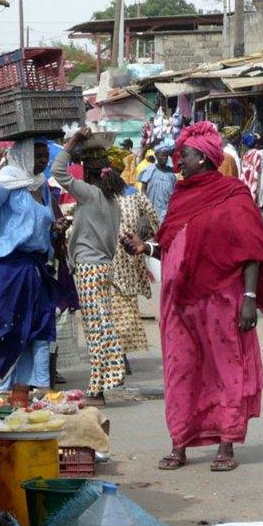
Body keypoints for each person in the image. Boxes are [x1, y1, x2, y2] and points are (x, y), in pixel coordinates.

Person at [121, 121, 263, 472]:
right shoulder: (182, 195)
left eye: (186, 155)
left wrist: (250, 298)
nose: (179, 161)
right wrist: (143, 247)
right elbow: (171, 245)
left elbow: (252, 249)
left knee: (226, 368)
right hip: (180, 302)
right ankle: (180, 443)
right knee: (181, 369)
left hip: (223, 300)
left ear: (205, 159)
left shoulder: (233, 194)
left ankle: (226, 445)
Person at [0, 138, 68, 391]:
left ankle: (37, 385)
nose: (44, 162)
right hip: (3, 269)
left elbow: (43, 220)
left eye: (45, 157)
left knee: (38, 328)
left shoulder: (41, 186)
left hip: (33, 270)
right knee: (0, 328)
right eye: (38, 157)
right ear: (23, 157)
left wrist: (55, 227)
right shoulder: (6, 181)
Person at [51, 128, 125, 404]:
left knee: (97, 329)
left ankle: (99, 389)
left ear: (88, 174)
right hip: (104, 267)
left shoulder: (91, 194)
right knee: (100, 324)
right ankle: (102, 382)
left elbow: (58, 171)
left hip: (89, 269)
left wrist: (72, 142)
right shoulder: (111, 200)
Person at [111, 157, 160, 373]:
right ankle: (116, 354)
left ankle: (120, 354)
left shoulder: (134, 194)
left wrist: (145, 227)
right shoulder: (95, 196)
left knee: (124, 308)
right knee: (110, 309)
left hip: (128, 261)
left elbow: (153, 221)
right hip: (103, 260)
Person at [137, 139, 177, 221]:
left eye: (166, 156)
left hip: (167, 210)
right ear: (156, 155)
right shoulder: (149, 170)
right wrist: (143, 208)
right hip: (153, 209)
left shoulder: (171, 172)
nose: (164, 158)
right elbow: (143, 189)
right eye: (162, 155)